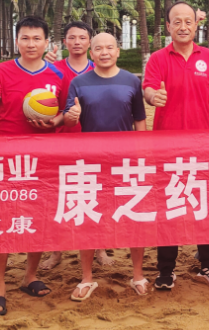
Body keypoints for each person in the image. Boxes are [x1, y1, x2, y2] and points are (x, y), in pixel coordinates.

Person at [0, 16, 64, 314]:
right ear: (16, 41)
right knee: (2, 222)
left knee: (37, 219)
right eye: (25, 38)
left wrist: (57, 120)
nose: (31, 44)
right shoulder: (0, 72)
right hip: (7, 158)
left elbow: (64, 113)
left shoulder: (58, 75)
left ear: (46, 42)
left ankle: (30, 276)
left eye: (36, 38)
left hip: (43, 158)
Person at [142, 1, 209, 289]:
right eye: (176, 21)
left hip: (203, 146)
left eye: (188, 21)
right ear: (168, 26)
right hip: (167, 147)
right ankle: (166, 270)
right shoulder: (158, 58)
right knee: (169, 207)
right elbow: (148, 88)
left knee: (204, 206)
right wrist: (153, 97)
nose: (182, 26)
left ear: (195, 24)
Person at [63, 33, 148, 300]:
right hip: (90, 163)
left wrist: (142, 156)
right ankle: (87, 278)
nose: (104, 52)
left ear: (118, 51)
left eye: (109, 47)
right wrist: (71, 116)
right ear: (91, 53)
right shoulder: (78, 83)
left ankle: (138, 275)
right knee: (88, 219)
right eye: (98, 48)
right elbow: (68, 120)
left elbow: (140, 121)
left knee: (133, 219)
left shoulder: (131, 81)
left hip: (126, 163)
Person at [40, 20, 107, 271]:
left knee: (95, 195)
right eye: (72, 37)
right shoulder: (53, 69)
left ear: (90, 42)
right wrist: (54, 120)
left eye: (82, 37)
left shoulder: (100, 68)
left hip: (93, 142)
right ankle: (56, 251)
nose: (77, 42)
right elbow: (46, 103)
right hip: (61, 142)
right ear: (64, 41)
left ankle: (100, 248)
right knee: (58, 197)